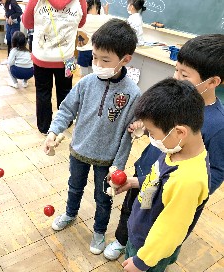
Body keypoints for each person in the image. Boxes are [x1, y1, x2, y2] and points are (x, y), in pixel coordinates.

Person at [104, 34, 224, 261]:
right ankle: (123, 240)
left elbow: (216, 170)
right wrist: (147, 126)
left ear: (212, 82)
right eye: (176, 70)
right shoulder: (174, 99)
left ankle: (145, 257)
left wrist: (185, 192)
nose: (176, 78)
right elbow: (161, 130)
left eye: (184, 74)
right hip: (147, 177)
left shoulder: (218, 125)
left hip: (170, 195)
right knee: (132, 214)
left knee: (154, 229)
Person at [43, 19, 140, 255]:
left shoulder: (133, 93)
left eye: (105, 60)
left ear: (125, 59)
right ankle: (70, 213)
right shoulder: (86, 82)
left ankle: (98, 230)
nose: (97, 63)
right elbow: (66, 110)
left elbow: (128, 137)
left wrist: (118, 166)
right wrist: (53, 131)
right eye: (94, 57)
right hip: (78, 150)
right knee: (74, 187)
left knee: (103, 198)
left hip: (107, 160)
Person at [117, 78, 209, 272]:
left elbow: (171, 230)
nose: (150, 138)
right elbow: (160, 180)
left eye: (151, 132)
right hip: (142, 231)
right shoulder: (175, 150)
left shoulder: (188, 181)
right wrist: (135, 182)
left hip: (150, 249)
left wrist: (142, 261)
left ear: (179, 132)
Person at [22, 0, 87, 135]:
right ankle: (66, 122)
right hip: (68, 57)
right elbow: (81, 22)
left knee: (43, 92)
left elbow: (27, 23)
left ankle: (44, 127)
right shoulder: (81, 1)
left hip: (41, 57)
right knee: (66, 90)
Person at [77, 0, 108, 77]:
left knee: (83, 74)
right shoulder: (103, 19)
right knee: (92, 74)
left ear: (86, 6)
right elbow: (108, 24)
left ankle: (83, 88)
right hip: (96, 51)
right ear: (99, 8)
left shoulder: (82, 19)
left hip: (83, 50)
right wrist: (106, 11)